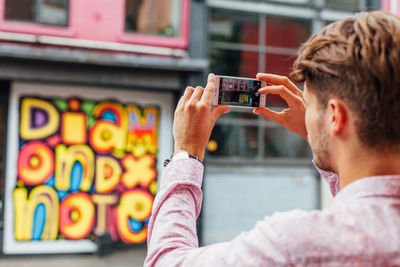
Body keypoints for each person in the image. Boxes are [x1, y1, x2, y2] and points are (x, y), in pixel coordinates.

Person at [144, 10, 400, 266]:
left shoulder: (295, 244)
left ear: (335, 116)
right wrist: (321, 131)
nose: (306, 114)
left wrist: (185, 154)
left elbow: (165, 261)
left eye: (309, 105)